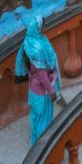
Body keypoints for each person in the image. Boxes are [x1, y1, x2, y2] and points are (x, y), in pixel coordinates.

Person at [15, 16, 62, 145]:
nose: (45, 29)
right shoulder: (38, 49)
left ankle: (35, 146)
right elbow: (42, 74)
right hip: (42, 91)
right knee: (43, 121)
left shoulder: (30, 41)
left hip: (33, 89)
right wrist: (52, 91)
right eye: (43, 26)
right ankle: (42, 151)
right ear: (38, 28)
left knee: (35, 117)